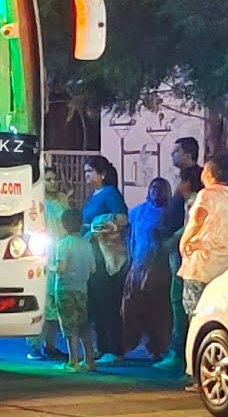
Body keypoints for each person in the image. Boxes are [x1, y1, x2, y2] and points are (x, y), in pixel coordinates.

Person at [178, 157, 228, 389]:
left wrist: (185, 241)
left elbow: (197, 220)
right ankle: (215, 369)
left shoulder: (206, 195)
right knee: (217, 320)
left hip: (199, 264)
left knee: (194, 317)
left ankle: (196, 373)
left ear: (210, 175)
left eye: (205, 170)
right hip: (223, 267)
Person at [154, 137, 204, 372]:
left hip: (184, 252)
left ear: (188, 153)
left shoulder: (195, 184)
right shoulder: (187, 186)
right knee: (177, 299)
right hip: (178, 249)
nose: (172, 155)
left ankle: (181, 353)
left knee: (180, 301)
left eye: (176, 151)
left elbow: (191, 223)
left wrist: (174, 238)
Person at [80, 155, 128, 365]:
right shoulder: (94, 195)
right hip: (92, 254)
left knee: (108, 302)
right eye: (86, 172)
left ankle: (114, 348)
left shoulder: (110, 194)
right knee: (97, 302)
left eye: (90, 171)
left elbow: (121, 219)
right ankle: (102, 345)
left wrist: (97, 228)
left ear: (102, 174)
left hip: (106, 255)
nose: (87, 175)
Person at [120, 177, 172, 360]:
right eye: (153, 188)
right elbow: (130, 233)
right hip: (138, 263)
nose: (156, 192)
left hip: (158, 266)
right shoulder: (139, 211)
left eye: (160, 189)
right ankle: (131, 343)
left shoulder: (169, 213)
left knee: (156, 308)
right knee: (132, 306)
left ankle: (156, 346)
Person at [27, 166, 69, 361]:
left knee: (55, 305)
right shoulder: (35, 201)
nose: (52, 183)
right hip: (42, 255)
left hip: (59, 254)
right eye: (48, 180)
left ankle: (50, 345)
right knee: (40, 303)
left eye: (54, 179)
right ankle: (34, 345)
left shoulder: (61, 201)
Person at [51, 208, 97, 372]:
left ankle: (73, 361)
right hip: (82, 288)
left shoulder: (63, 244)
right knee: (83, 324)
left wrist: (50, 266)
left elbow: (61, 267)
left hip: (65, 288)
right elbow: (93, 268)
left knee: (69, 326)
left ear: (63, 225)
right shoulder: (86, 244)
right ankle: (89, 360)